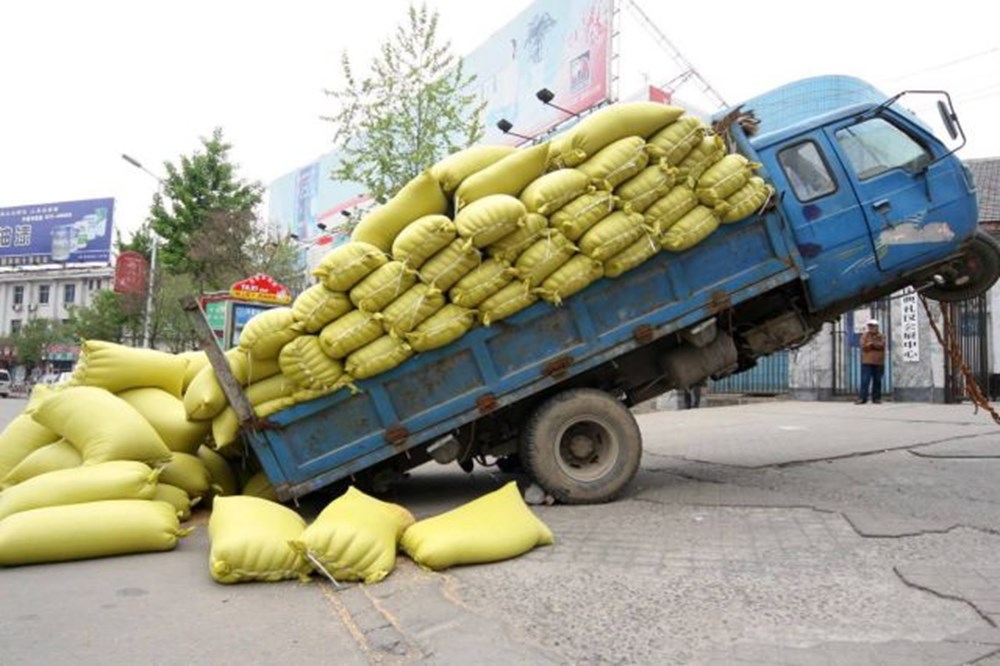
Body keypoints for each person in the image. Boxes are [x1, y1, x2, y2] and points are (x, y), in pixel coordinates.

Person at [856, 319, 886, 404]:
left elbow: (881, 345)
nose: (871, 328)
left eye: (873, 326)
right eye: (870, 326)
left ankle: (876, 398)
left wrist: (871, 344)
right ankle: (862, 398)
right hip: (867, 361)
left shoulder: (881, 336)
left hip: (878, 362)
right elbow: (864, 346)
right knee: (865, 380)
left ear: (877, 327)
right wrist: (872, 344)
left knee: (877, 380)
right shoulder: (864, 335)